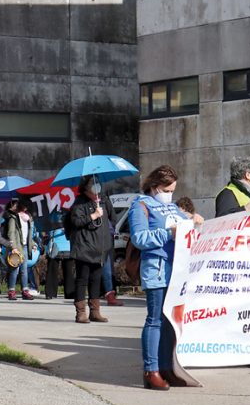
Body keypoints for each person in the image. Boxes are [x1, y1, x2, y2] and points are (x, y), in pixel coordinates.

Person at [129, 165, 199, 390]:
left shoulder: (173, 208)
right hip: (157, 270)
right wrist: (168, 233)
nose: (170, 194)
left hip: (176, 272)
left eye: (173, 190)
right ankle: (151, 370)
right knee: (155, 320)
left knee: (171, 322)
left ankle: (167, 367)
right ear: (155, 186)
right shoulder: (140, 206)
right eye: (167, 189)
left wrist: (193, 222)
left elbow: (186, 226)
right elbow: (139, 238)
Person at [66, 175, 117, 323]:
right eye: (92, 189)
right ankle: (80, 312)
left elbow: (112, 219)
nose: (96, 192)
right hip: (84, 247)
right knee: (82, 279)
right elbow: (75, 221)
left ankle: (95, 311)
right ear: (85, 190)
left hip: (100, 248)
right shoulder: (79, 202)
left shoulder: (104, 200)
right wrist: (93, 216)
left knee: (96, 279)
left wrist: (107, 234)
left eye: (97, 188)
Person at [3, 199, 35, 301]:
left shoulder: (28, 218)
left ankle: (25, 291)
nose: (26, 208)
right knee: (14, 269)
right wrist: (14, 248)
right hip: (16, 246)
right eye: (24, 206)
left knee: (24, 270)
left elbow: (29, 233)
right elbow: (11, 233)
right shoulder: (14, 217)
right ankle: (11, 291)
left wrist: (33, 244)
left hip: (25, 246)